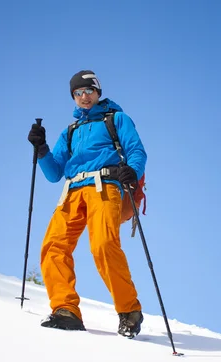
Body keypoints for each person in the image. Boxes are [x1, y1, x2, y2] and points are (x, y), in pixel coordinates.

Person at [27, 70, 147, 338]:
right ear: (73, 97)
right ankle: (66, 310)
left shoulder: (116, 119)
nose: (84, 97)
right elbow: (53, 173)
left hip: (104, 187)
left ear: (98, 92)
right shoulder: (70, 132)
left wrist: (133, 170)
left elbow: (137, 150)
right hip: (72, 192)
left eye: (88, 91)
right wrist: (42, 149)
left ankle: (129, 310)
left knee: (103, 244)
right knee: (53, 247)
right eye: (78, 93)